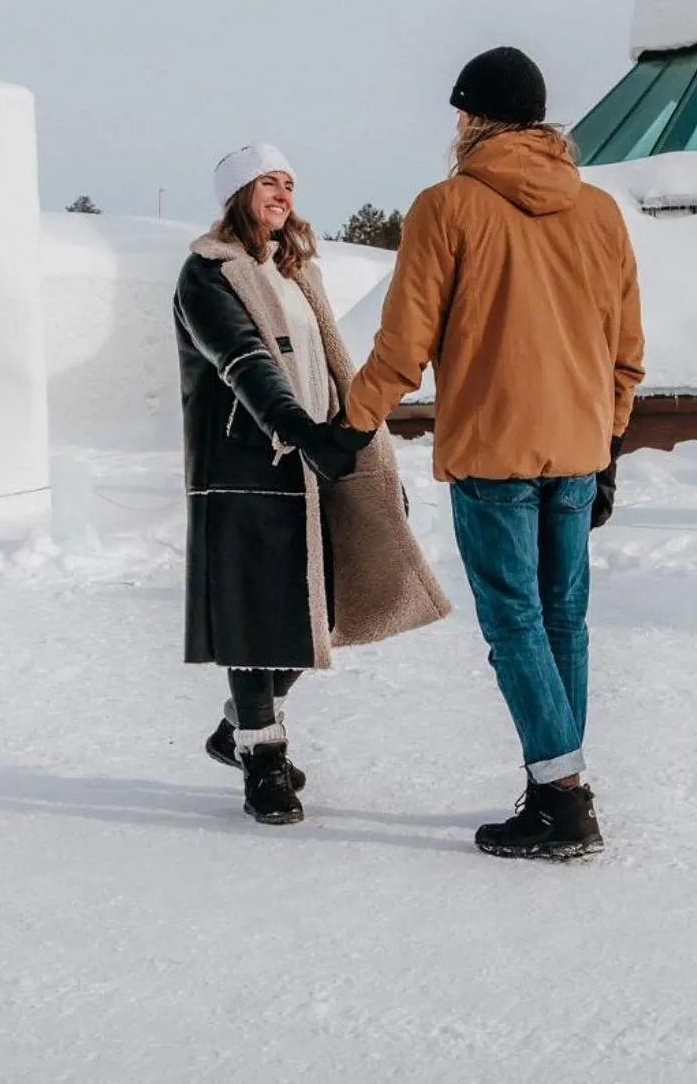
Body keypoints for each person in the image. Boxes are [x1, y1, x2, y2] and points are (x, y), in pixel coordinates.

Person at [333, 48, 645, 859]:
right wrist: (607, 441)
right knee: (562, 620)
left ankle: (563, 797)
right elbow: (626, 348)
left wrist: (349, 424)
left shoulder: (448, 207)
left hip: (495, 454)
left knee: (515, 622)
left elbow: (404, 345)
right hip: (577, 450)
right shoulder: (601, 211)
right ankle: (560, 782)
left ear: (473, 119)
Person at [174, 143, 450, 825]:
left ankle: (238, 723)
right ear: (238, 192)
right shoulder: (208, 274)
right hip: (246, 465)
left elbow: (337, 366)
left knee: (317, 611)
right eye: (268, 182)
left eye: (289, 182)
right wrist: (298, 428)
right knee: (253, 616)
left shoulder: (298, 271)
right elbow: (243, 361)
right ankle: (263, 760)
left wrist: (366, 457)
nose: (283, 193)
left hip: (316, 455)